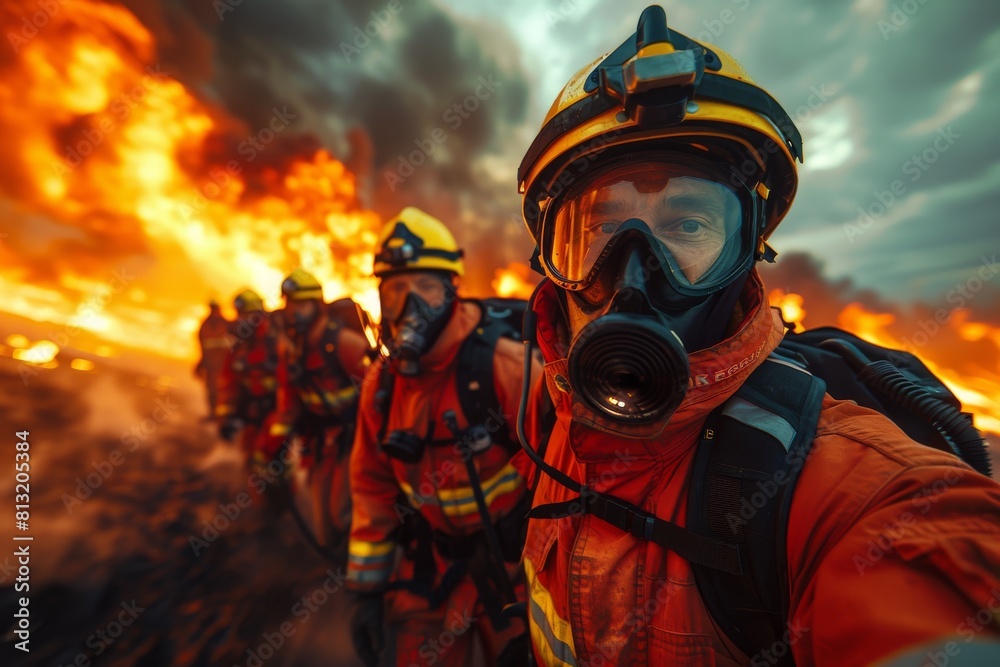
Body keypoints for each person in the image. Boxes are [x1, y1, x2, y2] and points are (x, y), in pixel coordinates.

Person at [512, 5, 1000, 666]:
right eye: (598, 231)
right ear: (553, 262)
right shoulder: (553, 419)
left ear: (748, 254)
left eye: (686, 227)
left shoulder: (847, 496)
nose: (633, 274)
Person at [346, 207, 540, 667]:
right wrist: (366, 593)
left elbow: (559, 477)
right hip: (428, 576)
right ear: (379, 299)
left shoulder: (508, 367)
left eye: (426, 287)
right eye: (396, 289)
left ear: (452, 291)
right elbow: (372, 488)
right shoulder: (382, 384)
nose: (411, 304)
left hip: (510, 572)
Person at [261, 267, 371, 548]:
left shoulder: (343, 343)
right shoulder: (292, 350)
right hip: (320, 446)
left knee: (343, 515)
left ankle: (373, 575)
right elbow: (288, 401)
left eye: (302, 304)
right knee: (325, 529)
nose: (294, 312)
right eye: (290, 304)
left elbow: (381, 392)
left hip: (354, 442)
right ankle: (344, 569)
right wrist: (275, 445)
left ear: (317, 305)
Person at [215, 290, 279, 462]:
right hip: (250, 408)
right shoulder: (239, 343)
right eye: (241, 315)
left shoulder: (277, 340)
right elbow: (228, 380)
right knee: (250, 456)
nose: (242, 320)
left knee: (268, 455)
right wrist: (226, 416)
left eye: (248, 314)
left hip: (276, 408)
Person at [195, 299, 231, 420]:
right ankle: (213, 414)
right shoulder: (206, 324)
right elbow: (203, 346)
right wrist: (202, 363)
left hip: (224, 365)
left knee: (223, 390)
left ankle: (221, 416)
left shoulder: (226, 324)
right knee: (211, 389)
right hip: (211, 364)